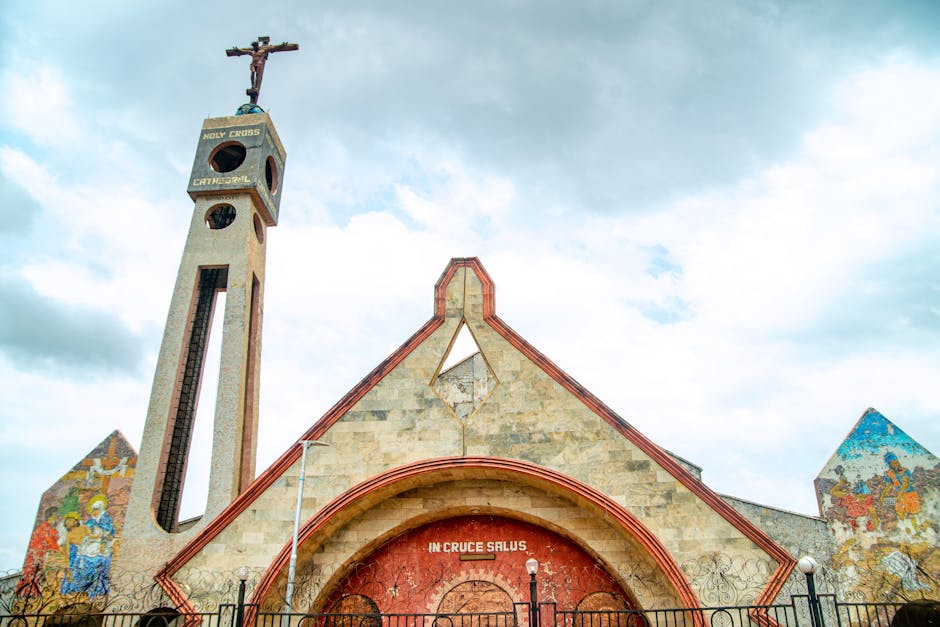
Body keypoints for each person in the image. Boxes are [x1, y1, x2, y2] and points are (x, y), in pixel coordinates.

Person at [15, 507, 60, 597]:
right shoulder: (44, 529)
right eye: (55, 515)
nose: (57, 517)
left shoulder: (51, 529)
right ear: (51, 516)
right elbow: (48, 543)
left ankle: (34, 592)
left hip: (42, 556)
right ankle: (29, 593)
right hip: (37, 556)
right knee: (33, 575)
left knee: (38, 576)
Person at [880, 452, 921, 527]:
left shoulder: (905, 471)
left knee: (914, 513)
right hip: (901, 497)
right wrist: (882, 497)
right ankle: (905, 527)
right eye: (893, 463)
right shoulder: (888, 474)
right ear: (889, 465)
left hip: (910, 494)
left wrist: (899, 495)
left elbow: (905, 484)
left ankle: (916, 528)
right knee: (899, 511)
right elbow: (888, 486)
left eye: (896, 462)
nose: (896, 464)